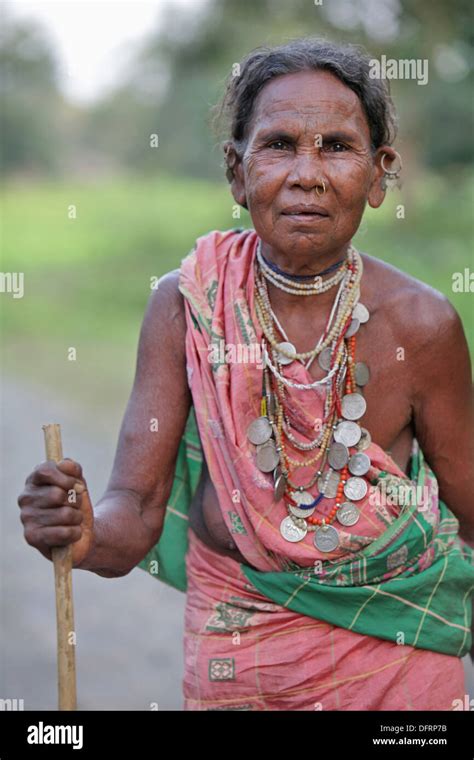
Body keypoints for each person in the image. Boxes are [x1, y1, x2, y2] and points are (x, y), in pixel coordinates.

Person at [18, 38, 474, 711]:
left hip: (395, 668)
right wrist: (83, 532)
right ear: (237, 171)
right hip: (238, 655)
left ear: (379, 176)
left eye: (337, 147)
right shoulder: (188, 305)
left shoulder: (422, 326)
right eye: (280, 145)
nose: (307, 174)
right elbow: (136, 512)